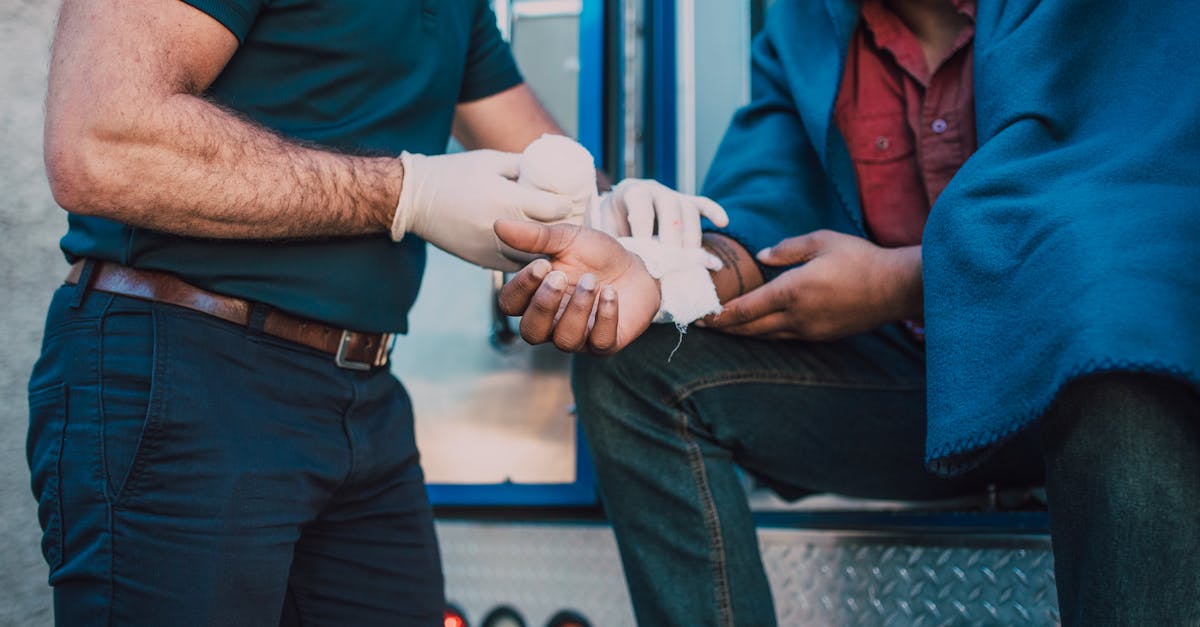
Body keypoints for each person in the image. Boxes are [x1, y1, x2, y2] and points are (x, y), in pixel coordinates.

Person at [495, 0, 1200, 625]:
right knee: (637, 371)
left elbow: (1132, 216)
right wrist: (660, 273)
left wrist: (899, 282)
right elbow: (761, 221)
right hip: (920, 401)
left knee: (1126, 365)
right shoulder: (802, 28)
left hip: (1081, 375)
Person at [26, 1, 722, 625]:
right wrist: (406, 193)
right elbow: (99, 138)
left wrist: (616, 217)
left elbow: (540, 166)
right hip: (185, 372)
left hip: (363, 399)